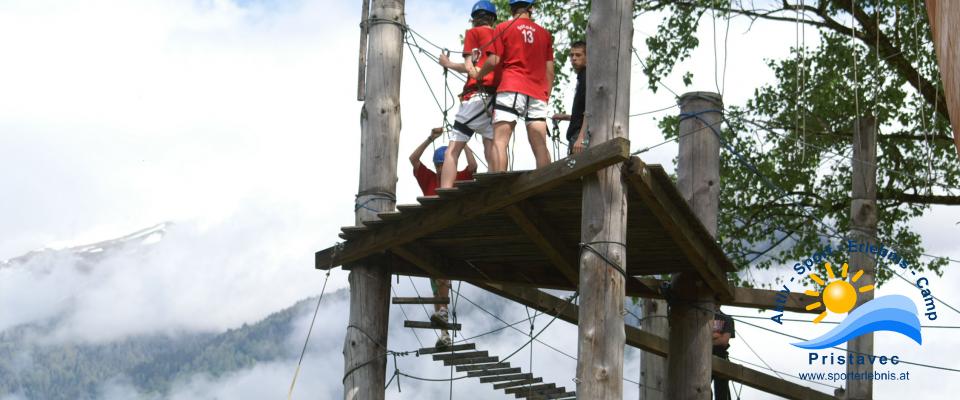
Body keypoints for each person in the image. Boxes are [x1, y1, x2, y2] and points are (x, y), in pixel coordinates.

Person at [408, 127, 477, 347]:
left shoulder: (459, 176)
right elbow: (413, 158)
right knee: (436, 280)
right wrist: (430, 138)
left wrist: (463, 145)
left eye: (443, 164)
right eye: (439, 165)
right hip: (431, 233)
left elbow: (474, 167)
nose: (440, 169)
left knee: (442, 273)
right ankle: (444, 331)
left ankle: (444, 315)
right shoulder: (428, 179)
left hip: (448, 231)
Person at [476, 0, 555, 172]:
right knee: (540, 145)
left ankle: (499, 187)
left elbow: (494, 60)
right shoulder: (545, 34)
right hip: (538, 93)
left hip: (511, 88)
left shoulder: (503, 27)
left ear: (511, 8)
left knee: (500, 140)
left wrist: (478, 76)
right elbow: (550, 72)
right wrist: (545, 96)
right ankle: (547, 187)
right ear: (531, 8)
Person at [436, 0, 499, 188]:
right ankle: (495, 181)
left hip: (474, 96)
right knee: (490, 143)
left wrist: (448, 64)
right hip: (494, 97)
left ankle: (445, 190)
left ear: (473, 20)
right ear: (493, 19)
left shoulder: (473, 33)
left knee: (452, 150)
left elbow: (470, 65)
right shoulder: (499, 35)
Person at [551, 40, 588, 155]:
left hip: (581, 136)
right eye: (571, 55)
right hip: (577, 134)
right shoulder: (581, 76)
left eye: (578, 55)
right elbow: (582, 111)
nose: (574, 58)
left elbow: (590, 111)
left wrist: (581, 138)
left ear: (587, 56)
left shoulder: (587, 77)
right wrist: (565, 117)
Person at [712, 304, 736, 400]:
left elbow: (723, 341)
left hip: (720, 356)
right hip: (701, 357)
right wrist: (717, 336)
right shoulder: (699, 315)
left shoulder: (727, 319)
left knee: (722, 394)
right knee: (700, 389)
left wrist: (706, 339)